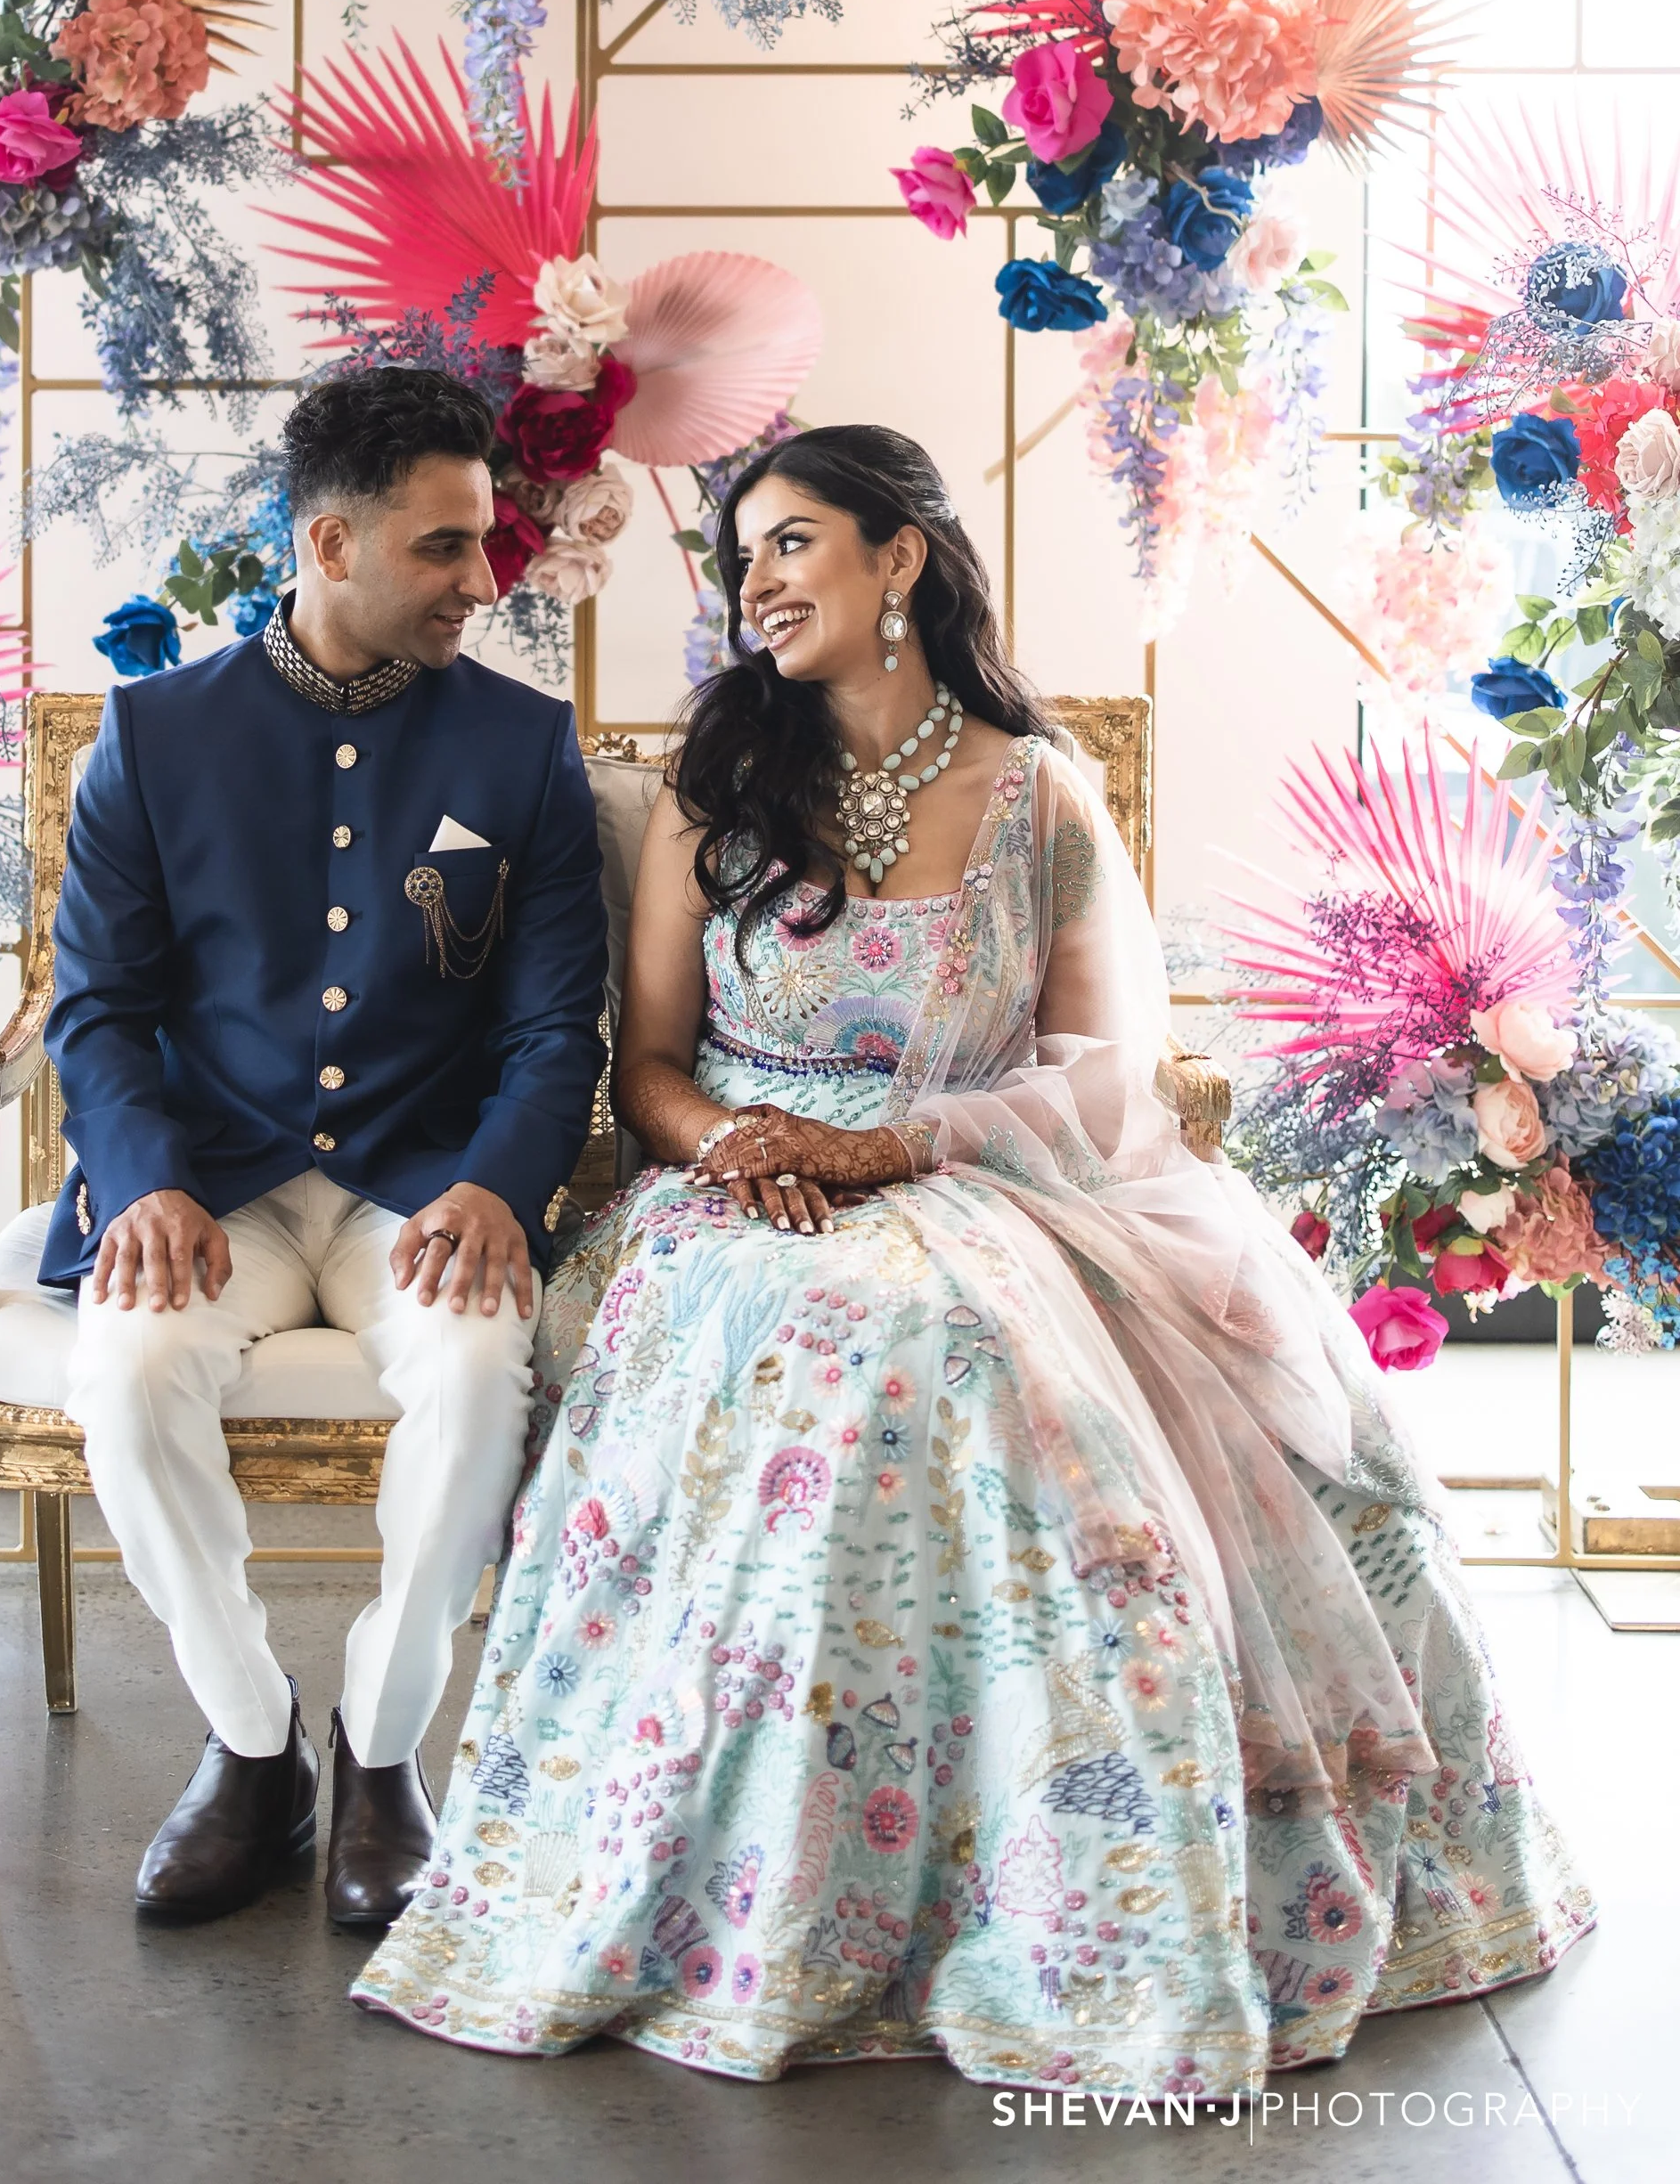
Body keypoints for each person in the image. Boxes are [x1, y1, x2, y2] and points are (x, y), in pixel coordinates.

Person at [355, 425, 1593, 2091]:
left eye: (793, 542)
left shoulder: (1036, 792)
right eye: (743, 555)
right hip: (741, 1199)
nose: (757, 581)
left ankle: (1079, 1889)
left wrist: (894, 1150)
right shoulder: (718, 785)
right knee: (846, 1338)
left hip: (989, 1179)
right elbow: (643, 1066)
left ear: (901, 559)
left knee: (984, 1353)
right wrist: (741, 1147)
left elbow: (1108, 1078)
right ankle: (782, 1890)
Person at [8, 368, 605, 1928]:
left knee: (478, 1373)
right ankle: (255, 1746)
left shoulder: (523, 747)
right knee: (130, 1370)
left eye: (484, 542)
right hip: (212, 1185)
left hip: (427, 1186)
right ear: (330, 545)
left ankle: (384, 1752)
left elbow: (558, 1029)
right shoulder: (154, 738)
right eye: (442, 547)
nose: (482, 580)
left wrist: (497, 1184)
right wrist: (142, 1181)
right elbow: (99, 1007)